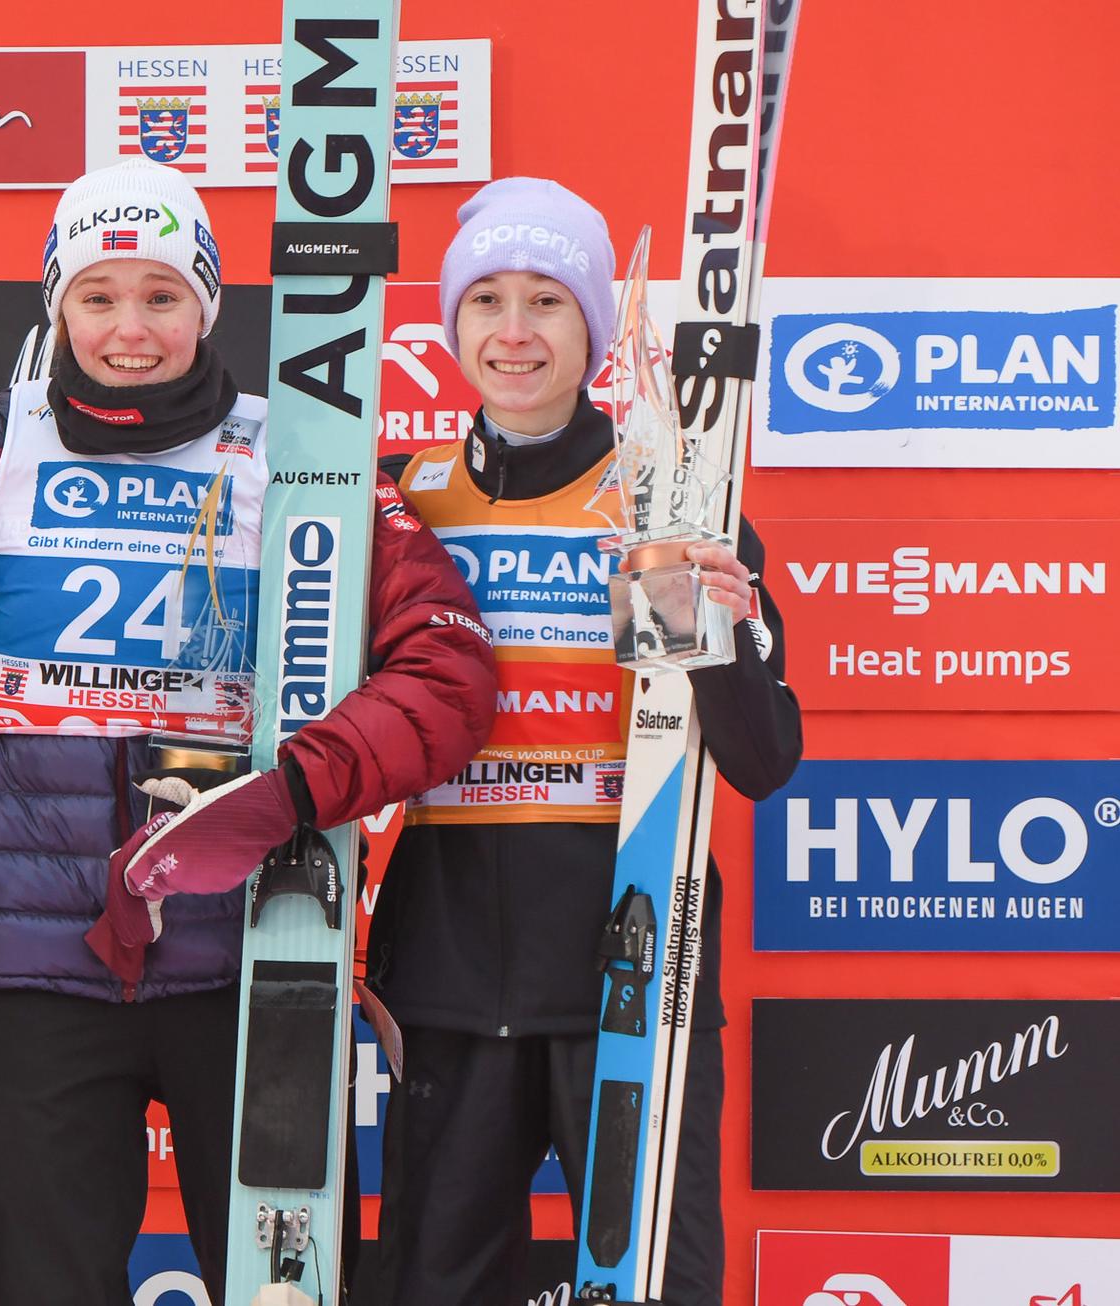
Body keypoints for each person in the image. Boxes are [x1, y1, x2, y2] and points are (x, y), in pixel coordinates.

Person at [0, 158, 497, 1306]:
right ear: (57, 307)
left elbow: (449, 666)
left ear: (209, 303)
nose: (130, 330)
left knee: (285, 1288)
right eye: (97, 296)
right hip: (39, 973)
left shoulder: (298, 455)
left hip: (251, 958)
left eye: (162, 295)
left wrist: (299, 786)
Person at [363, 177, 804, 1306]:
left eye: (548, 301)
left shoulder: (674, 503)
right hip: (447, 976)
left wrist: (711, 630)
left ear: (595, 327)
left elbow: (762, 760)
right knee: (434, 1283)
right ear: (453, 322)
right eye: (487, 301)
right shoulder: (403, 500)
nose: (514, 332)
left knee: (655, 1279)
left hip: (633, 964)